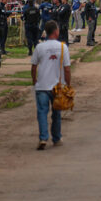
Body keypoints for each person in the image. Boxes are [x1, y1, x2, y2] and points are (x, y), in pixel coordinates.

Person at [30, 20, 71, 150]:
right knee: (56, 113)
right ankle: (56, 138)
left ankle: (43, 138)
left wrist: (34, 80)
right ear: (56, 31)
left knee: (42, 112)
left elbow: (34, 66)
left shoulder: (39, 47)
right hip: (57, 86)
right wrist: (68, 84)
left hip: (42, 85)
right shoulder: (63, 47)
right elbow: (67, 69)